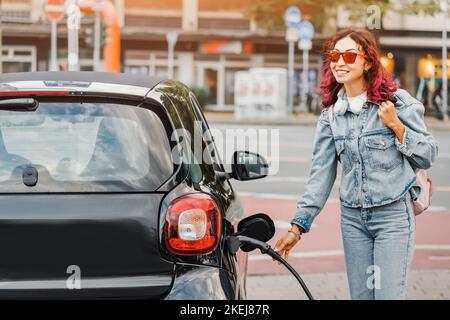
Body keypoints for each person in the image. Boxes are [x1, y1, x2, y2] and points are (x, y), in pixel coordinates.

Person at [274, 28, 438, 300]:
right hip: (353, 220)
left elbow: (428, 154)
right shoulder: (331, 116)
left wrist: (397, 126)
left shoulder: (396, 103)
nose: (340, 62)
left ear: (368, 62)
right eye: (335, 56)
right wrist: (297, 227)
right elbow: (320, 175)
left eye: (349, 56)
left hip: (393, 218)